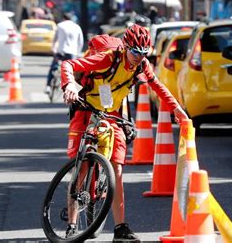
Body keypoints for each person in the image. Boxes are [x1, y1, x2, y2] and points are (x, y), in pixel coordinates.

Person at [60, 24, 189, 242]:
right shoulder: (107, 58)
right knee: (81, 169)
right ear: (126, 47)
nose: (139, 57)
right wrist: (69, 85)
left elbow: (158, 87)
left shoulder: (142, 66)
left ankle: (120, 228)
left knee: (117, 170)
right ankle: (72, 225)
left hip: (112, 114)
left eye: (143, 53)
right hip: (86, 108)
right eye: (135, 52)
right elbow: (68, 64)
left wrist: (177, 109)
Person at [44, 12, 83, 94]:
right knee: (70, 72)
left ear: (64, 18)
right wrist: (78, 53)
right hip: (72, 53)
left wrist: (53, 48)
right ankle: (71, 89)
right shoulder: (77, 27)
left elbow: (55, 39)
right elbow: (80, 42)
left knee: (53, 68)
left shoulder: (60, 25)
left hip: (60, 52)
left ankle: (48, 86)